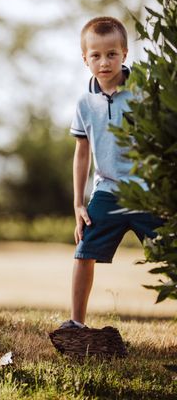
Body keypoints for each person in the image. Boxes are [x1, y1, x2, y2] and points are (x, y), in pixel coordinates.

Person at [61, 17, 163, 329]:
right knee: (84, 250)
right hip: (107, 191)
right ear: (85, 59)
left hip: (147, 191)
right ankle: (76, 324)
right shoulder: (84, 102)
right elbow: (82, 154)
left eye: (111, 54)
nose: (104, 62)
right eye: (96, 55)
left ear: (125, 54)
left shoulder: (143, 93)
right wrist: (79, 204)